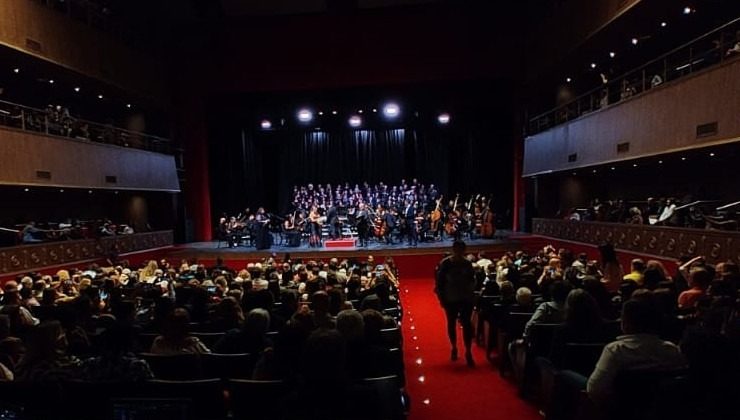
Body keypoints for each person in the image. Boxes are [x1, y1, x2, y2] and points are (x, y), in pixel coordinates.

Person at [586, 297, 687, 409]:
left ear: (625, 323)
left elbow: (595, 389)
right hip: (661, 409)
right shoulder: (671, 350)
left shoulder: (615, 350)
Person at [435, 240, 476, 366]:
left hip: (465, 298)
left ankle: (468, 351)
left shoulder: (467, 264)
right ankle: (454, 347)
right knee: (451, 323)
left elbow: (472, 281)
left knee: (467, 325)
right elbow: (439, 283)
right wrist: (442, 299)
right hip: (451, 298)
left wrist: (470, 295)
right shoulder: (446, 263)